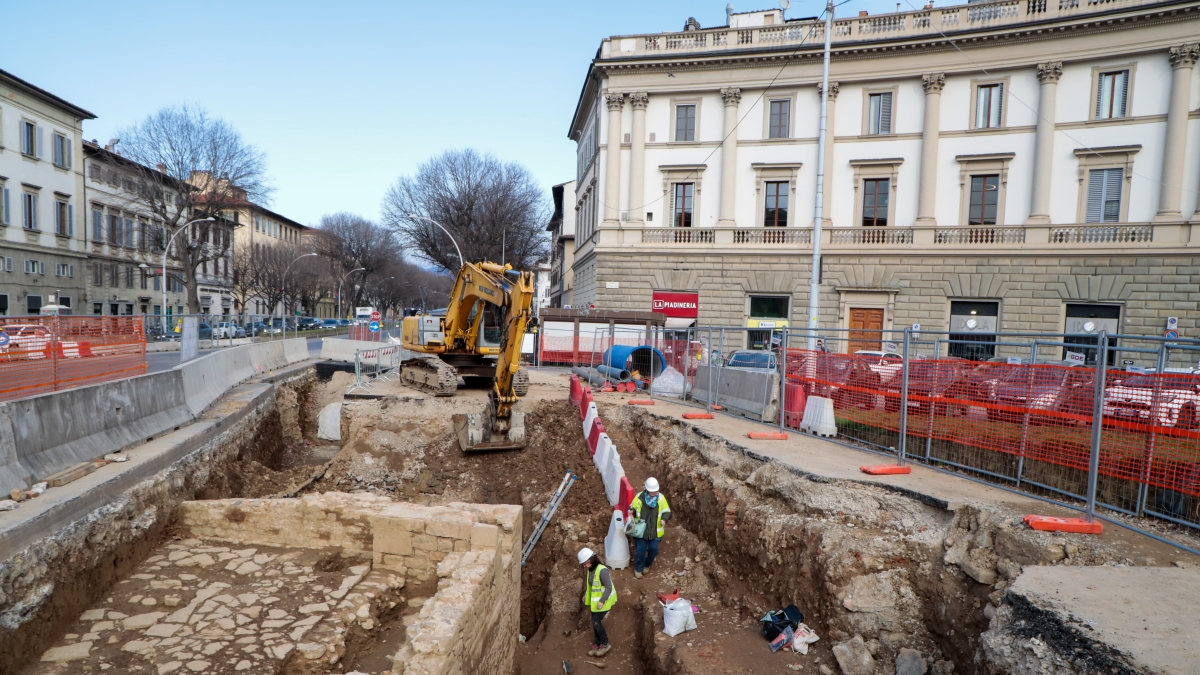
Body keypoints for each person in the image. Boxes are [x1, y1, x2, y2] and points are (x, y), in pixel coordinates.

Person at [628, 477, 672, 579]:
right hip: (641, 531)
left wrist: (664, 519)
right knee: (640, 550)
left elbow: (667, 511)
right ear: (647, 490)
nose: (654, 493)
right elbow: (632, 507)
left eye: (655, 491)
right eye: (652, 492)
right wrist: (631, 511)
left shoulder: (661, 498)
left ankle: (647, 564)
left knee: (654, 549)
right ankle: (638, 569)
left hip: (655, 531)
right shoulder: (639, 497)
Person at [578, 547, 616, 657]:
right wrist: (586, 594)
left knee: (596, 621)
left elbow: (608, 587)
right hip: (596, 603)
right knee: (594, 622)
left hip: (605, 601)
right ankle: (598, 644)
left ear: (591, 560)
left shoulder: (602, 570)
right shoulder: (591, 570)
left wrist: (602, 601)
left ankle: (605, 644)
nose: (584, 566)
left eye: (585, 563)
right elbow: (591, 586)